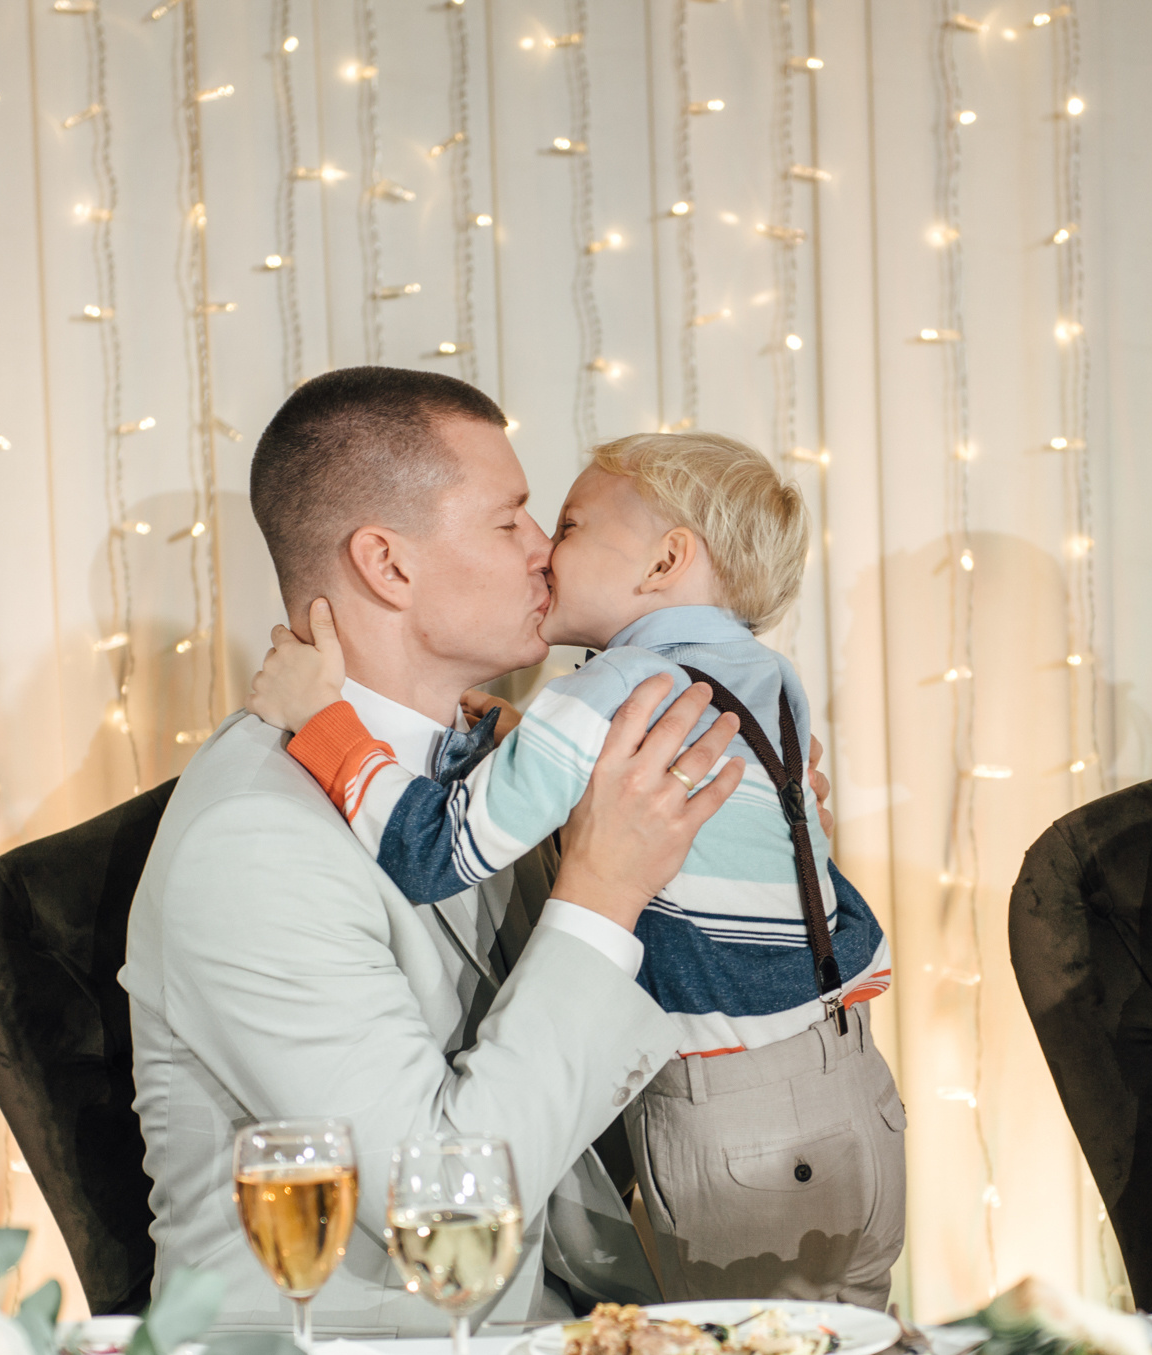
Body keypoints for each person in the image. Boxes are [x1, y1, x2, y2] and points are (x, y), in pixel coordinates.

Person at [123, 367, 767, 1334]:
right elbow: (449, 1206)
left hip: (559, 1338)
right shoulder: (254, 841)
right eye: (510, 522)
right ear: (387, 565)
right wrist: (603, 889)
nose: (548, 552)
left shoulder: (503, 767)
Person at [248, 431, 905, 1308]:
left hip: (733, 1123)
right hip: (851, 1090)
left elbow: (433, 851)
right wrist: (513, 746)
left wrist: (321, 722)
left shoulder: (609, 689)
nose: (542, 553)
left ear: (667, 559)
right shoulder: (767, 675)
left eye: (565, 525)